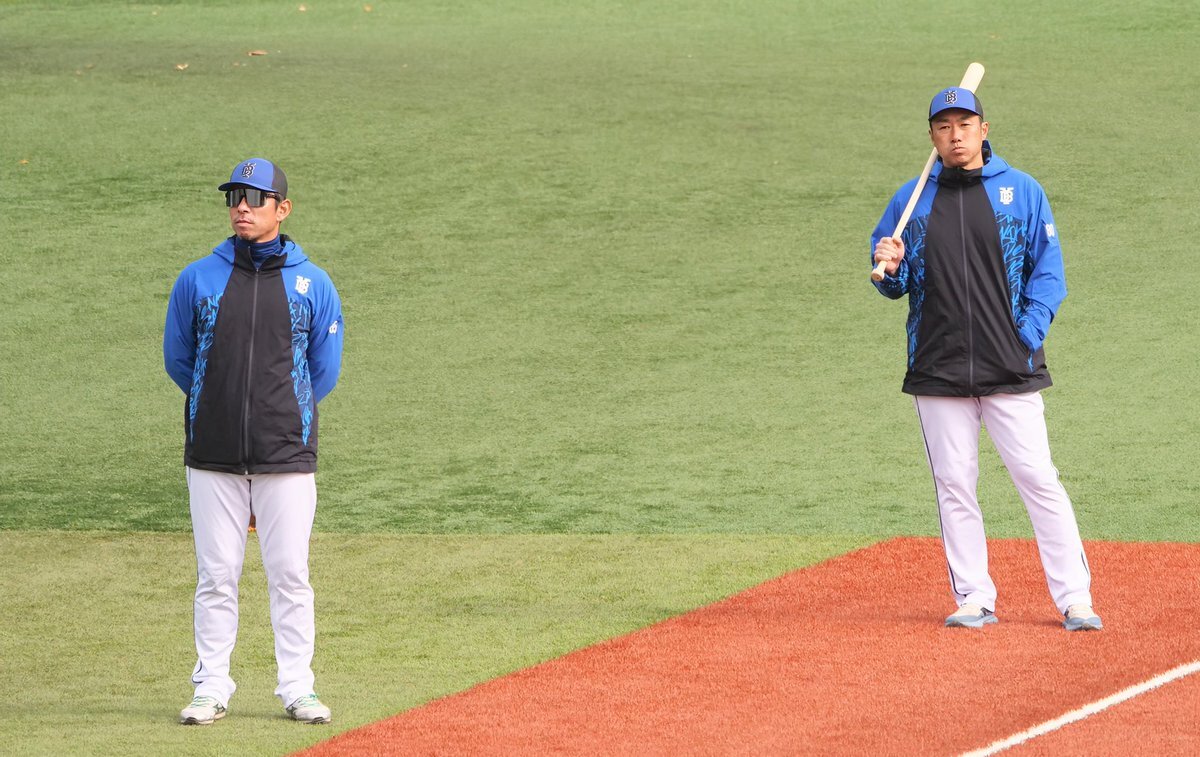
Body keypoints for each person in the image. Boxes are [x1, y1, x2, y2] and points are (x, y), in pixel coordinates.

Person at [870, 87, 1102, 632]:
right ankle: (974, 597)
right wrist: (888, 266)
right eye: (944, 126)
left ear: (983, 129)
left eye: (965, 124)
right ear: (932, 136)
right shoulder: (910, 200)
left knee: (1038, 478)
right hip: (937, 366)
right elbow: (893, 283)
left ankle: (1075, 599)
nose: (955, 136)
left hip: (1010, 367)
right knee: (954, 484)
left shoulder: (1021, 191)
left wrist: (1024, 337)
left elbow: (1049, 274)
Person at [164, 158, 345, 724]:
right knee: (217, 576)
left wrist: (281, 413)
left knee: (290, 574)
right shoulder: (198, 277)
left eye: (255, 197)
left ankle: (297, 687)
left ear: (282, 209)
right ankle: (211, 686)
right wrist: (217, 405)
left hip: (286, 454)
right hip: (212, 454)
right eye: (234, 197)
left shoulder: (313, 283)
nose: (241, 206)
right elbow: (178, 359)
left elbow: (323, 371)